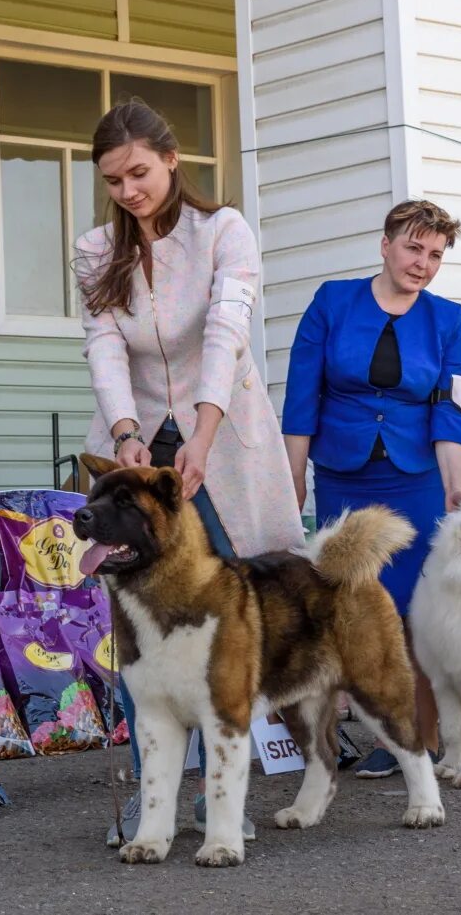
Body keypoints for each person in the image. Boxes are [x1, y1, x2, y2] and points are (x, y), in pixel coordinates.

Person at [75, 99, 304, 847]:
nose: (129, 190)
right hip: (138, 439)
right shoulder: (93, 251)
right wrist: (126, 432)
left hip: (224, 435)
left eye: (139, 172)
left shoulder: (223, 231)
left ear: (172, 159)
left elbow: (226, 331)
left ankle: (218, 793)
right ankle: (150, 805)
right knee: (141, 617)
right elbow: (106, 348)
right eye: (114, 181)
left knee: (229, 608)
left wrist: (203, 432)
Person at [282, 199, 461, 778]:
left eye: (435, 255)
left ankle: (418, 738)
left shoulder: (448, 319)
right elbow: (300, 399)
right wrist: (291, 483)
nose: (422, 263)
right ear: (385, 244)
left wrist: (455, 488)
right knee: (351, 609)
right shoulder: (332, 302)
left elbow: (452, 408)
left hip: (415, 479)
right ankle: (340, 737)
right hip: (342, 476)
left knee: (416, 610)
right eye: (414, 248)